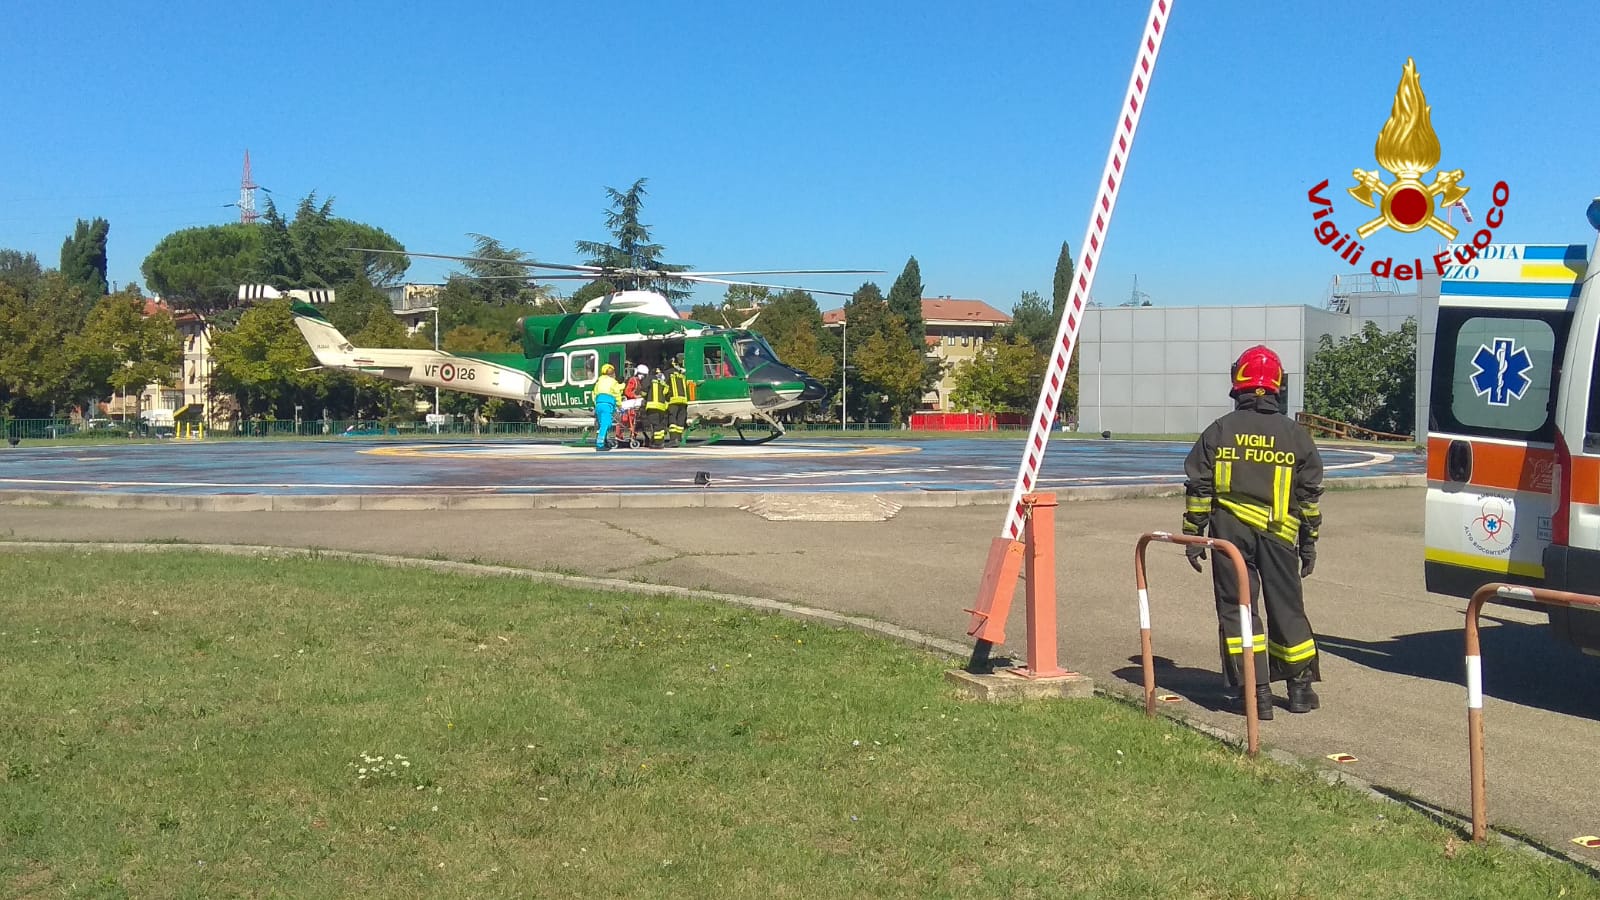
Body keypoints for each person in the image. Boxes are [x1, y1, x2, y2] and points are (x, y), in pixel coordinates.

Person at [1182, 345, 1324, 718]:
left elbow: (1199, 488)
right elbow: (1309, 498)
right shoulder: (1296, 435)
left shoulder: (1220, 430)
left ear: (1239, 383)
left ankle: (1256, 694)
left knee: (1238, 609)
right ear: (1276, 385)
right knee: (1288, 609)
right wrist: (1309, 542)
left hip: (1229, 532)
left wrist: (1194, 536)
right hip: (1280, 534)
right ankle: (1299, 690)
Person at [590, 363, 622, 451]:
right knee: (606, 424)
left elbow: (594, 394)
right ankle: (600, 444)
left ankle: (604, 441)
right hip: (607, 405)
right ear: (612, 373)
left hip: (599, 404)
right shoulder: (613, 382)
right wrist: (619, 405)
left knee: (602, 424)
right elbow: (617, 394)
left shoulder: (599, 382)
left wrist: (596, 404)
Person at [643, 366, 670, 449]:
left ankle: (657, 444)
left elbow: (644, 391)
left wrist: (644, 398)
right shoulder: (663, 382)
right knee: (660, 424)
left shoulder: (649, 379)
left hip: (652, 406)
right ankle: (660, 441)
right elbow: (666, 392)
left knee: (656, 424)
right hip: (662, 406)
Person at [667, 354, 690, 446]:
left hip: (673, 400)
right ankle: (679, 438)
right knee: (681, 420)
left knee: (672, 420)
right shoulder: (682, 375)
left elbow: (664, 386)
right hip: (683, 401)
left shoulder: (668, 373)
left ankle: (673, 439)